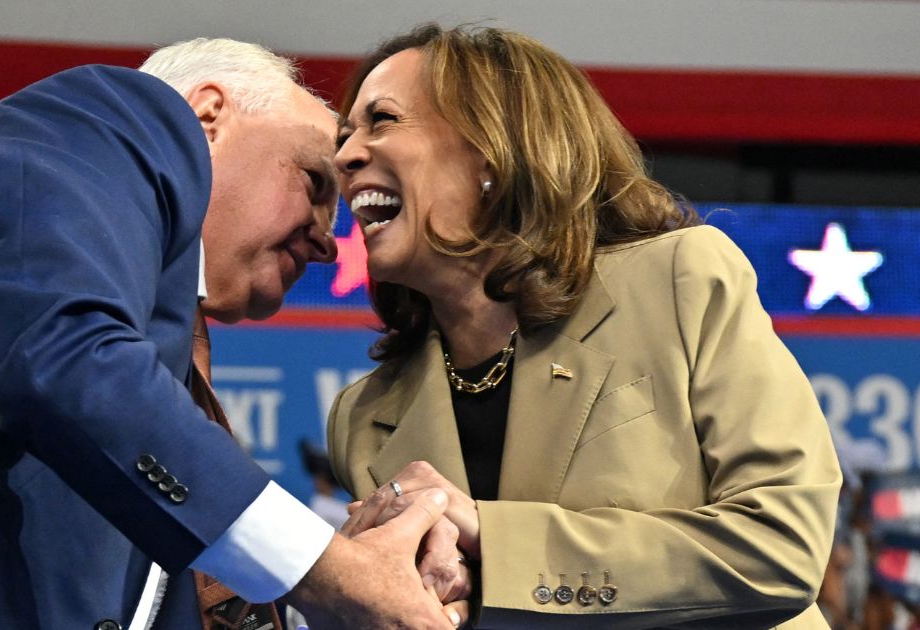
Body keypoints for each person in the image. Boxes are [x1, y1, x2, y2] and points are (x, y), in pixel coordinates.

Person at [0, 38, 456, 629]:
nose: (330, 241)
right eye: (315, 179)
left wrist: (328, 601)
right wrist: (326, 568)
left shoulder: (152, 385)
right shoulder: (118, 114)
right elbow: (62, 357)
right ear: (208, 114)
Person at [327, 24, 843, 628]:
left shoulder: (679, 280)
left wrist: (493, 541)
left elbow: (782, 545)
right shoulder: (363, 421)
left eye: (381, 120)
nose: (344, 155)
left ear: (492, 147)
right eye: (344, 135)